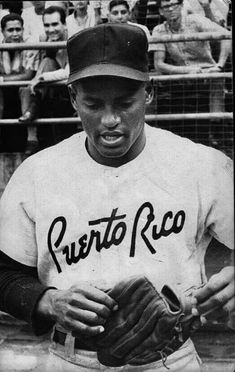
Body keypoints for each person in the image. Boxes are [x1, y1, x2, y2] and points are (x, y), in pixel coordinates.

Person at [0, 23, 234, 372]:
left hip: (169, 359)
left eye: (125, 103)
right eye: (93, 104)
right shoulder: (37, 173)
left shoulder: (202, 165)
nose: (110, 120)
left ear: (149, 93)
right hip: (72, 359)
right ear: (72, 98)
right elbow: (4, 273)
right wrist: (49, 301)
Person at [152, 0, 231, 145]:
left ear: (181, 5)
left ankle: (217, 131)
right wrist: (186, 71)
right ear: (160, 11)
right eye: (165, 7)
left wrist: (219, 65)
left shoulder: (196, 20)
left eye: (174, 4)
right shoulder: (159, 30)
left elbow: (226, 35)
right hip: (182, 76)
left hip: (207, 72)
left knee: (216, 78)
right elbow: (159, 64)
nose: (170, 9)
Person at [19, 5, 76, 155]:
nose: (51, 29)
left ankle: (32, 110)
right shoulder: (43, 39)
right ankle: (32, 136)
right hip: (49, 92)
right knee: (25, 87)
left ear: (64, 24)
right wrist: (36, 77)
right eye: (47, 25)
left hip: (70, 90)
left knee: (46, 65)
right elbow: (35, 64)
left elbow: (69, 72)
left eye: (55, 24)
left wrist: (41, 77)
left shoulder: (74, 38)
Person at [0, 13, 39, 152]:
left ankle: (32, 138)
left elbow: (28, 75)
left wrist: (2, 79)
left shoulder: (30, 44)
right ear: (3, 32)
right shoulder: (1, 46)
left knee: (26, 88)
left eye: (18, 29)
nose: (15, 34)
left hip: (25, 89)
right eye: (10, 30)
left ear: (23, 29)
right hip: (5, 92)